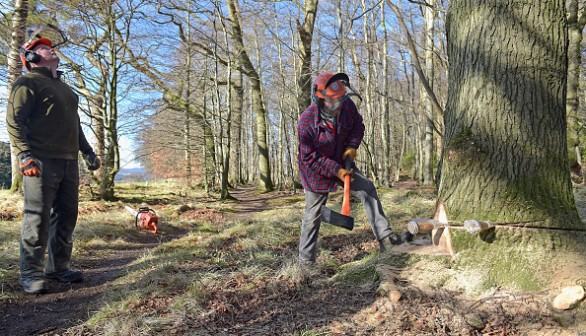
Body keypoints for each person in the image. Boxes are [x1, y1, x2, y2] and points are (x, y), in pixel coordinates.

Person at [6, 36, 101, 294]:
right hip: (40, 160)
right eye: (44, 48)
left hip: (69, 161)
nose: (51, 49)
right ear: (32, 58)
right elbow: (14, 121)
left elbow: (75, 124)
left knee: (67, 215)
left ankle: (58, 267)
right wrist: (24, 155)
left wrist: (88, 152)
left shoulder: (66, 90)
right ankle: (30, 274)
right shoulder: (27, 82)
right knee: (37, 218)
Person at [297, 72, 405, 264]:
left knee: (368, 190)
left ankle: (386, 238)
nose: (338, 105)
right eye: (333, 101)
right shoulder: (306, 122)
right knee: (312, 215)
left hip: (343, 160)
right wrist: (335, 170)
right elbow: (310, 158)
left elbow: (357, 125)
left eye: (340, 100)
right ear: (320, 99)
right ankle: (305, 263)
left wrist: (352, 147)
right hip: (316, 173)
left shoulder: (346, 106)